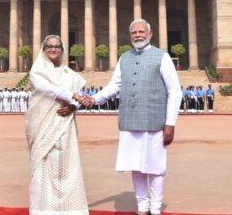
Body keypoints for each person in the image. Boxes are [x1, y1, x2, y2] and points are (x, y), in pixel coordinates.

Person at [80, 19, 181, 215]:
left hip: (155, 121)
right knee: (136, 165)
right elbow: (114, 86)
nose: (138, 35)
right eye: (134, 32)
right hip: (130, 120)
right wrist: (94, 100)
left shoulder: (162, 57)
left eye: (141, 31)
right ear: (130, 36)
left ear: (150, 34)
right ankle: (142, 205)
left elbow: (175, 91)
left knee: (156, 167)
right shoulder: (124, 58)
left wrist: (170, 123)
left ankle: (156, 207)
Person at [25, 35, 89, 215]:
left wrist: (73, 105)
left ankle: (69, 209)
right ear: (43, 49)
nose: (53, 49)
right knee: (44, 164)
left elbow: (79, 95)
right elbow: (47, 89)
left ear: (62, 50)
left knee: (66, 164)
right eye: (49, 47)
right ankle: (44, 210)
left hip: (64, 124)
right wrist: (73, 96)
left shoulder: (68, 73)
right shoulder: (37, 70)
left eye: (57, 47)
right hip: (43, 124)